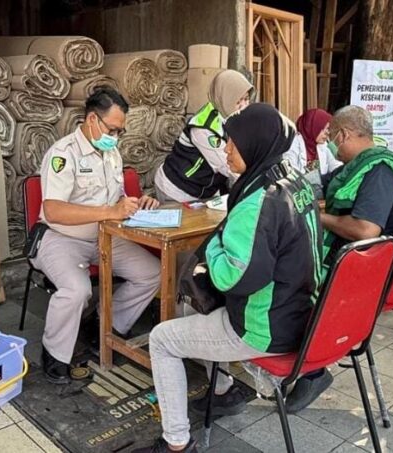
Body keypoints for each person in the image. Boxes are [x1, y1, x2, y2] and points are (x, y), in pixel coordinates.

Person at [132, 104, 324, 453]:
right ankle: (222, 391)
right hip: (304, 312)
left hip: (265, 325)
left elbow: (230, 280)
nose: (225, 149)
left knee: (161, 339)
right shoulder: (295, 182)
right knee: (191, 311)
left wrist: (215, 245)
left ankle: (176, 443)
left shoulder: (258, 202)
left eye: (232, 143)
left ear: (253, 144)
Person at [284, 105, 393, 413]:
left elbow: (366, 229)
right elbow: (320, 183)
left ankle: (311, 370)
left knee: (283, 274)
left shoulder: (379, 171)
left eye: (331, 136)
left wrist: (319, 215)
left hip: (361, 270)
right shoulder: (361, 163)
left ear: (344, 134)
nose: (328, 142)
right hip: (356, 262)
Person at [33, 87, 161, 385]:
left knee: (153, 272)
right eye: (113, 129)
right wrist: (109, 211)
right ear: (92, 119)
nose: (116, 136)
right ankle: (55, 354)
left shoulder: (112, 153)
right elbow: (53, 210)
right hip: (61, 238)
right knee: (77, 290)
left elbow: (117, 198)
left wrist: (137, 202)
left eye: (120, 131)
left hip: (105, 236)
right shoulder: (63, 154)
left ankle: (105, 326)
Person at [154, 70, 253, 202]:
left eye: (246, 99)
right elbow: (229, 166)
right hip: (176, 189)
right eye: (238, 101)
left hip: (204, 189)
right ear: (225, 98)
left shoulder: (233, 117)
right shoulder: (205, 128)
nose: (244, 106)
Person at [283, 108, 342, 196]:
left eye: (328, 129)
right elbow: (292, 178)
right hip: (298, 194)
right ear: (314, 127)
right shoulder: (292, 145)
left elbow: (336, 168)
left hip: (317, 193)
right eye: (324, 129)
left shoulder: (323, 145)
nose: (327, 133)